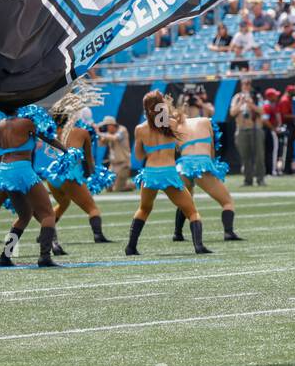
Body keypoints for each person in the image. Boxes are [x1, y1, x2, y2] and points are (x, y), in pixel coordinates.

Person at [126, 90, 211, 255]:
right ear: (161, 105)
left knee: (144, 208)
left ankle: (131, 247)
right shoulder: (171, 124)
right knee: (191, 211)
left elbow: (138, 156)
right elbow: (179, 119)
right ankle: (198, 246)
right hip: (169, 173)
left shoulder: (140, 129)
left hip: (150, 173)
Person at [0, 104, 67, 267]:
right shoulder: (26, 123)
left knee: (24, 216)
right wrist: (66, 151)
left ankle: (5, 256)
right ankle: (44, 257)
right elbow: (48, 138)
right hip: (22, 169)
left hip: (4, 172)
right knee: (48, 214)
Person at [44, 90, 116, 247]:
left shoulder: (56, 131)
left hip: (52, 176)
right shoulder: (83, 132)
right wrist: (93, 177)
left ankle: (46, 232)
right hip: (70, 175)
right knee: (92, 208)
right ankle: (98, 235)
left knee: (63, 204)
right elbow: (89, 160)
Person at [172, 91, 241, 242]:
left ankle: (177, 233)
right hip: (202, 163)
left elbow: (176, 149)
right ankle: (228, 232)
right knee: (227, 201)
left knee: (186, 201)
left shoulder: (177, 125)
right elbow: (211, 150)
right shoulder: (205, 121)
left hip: (183, 165)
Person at [229, 78, 265, 185]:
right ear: (241, 85)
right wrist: (241, 103)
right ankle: (247, 179)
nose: (246, 86)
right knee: (245, 156)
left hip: (255, 128)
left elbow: (262, 111)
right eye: (244, 84)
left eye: (248, 84)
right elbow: (232, 113)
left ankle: (260, 179)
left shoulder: (257, 96)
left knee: (259, 155)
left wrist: (252, 105)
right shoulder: (237, 97)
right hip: (241, 129)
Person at [95, 115, 133, 191]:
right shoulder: (108, 134)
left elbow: (115, 138)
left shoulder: (122, 130)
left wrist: (99, 133)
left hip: (123, 164)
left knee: (117, 189)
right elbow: (101, 144)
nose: (106, 128)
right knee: (108, 188)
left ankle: (132, 185)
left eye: (107, 126)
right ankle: (124, 183)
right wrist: (98, 135)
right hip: (113, 165)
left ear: (112, 125)